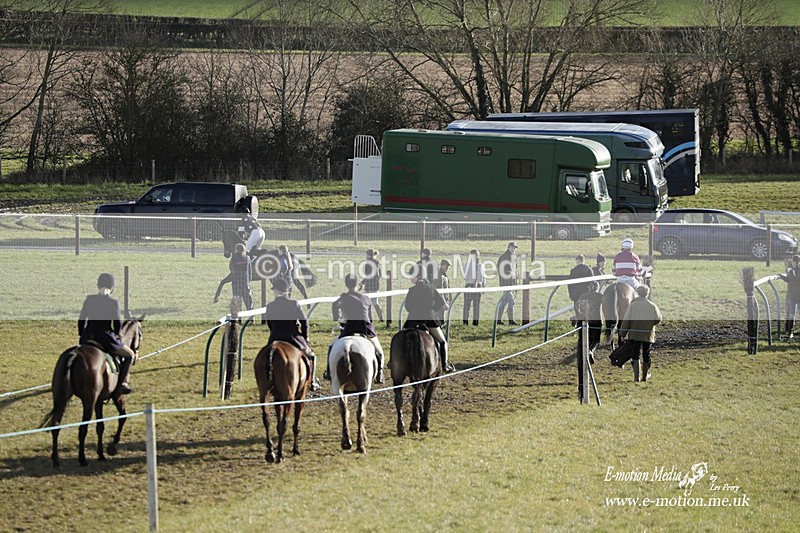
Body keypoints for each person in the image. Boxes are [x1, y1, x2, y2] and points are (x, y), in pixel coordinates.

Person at [78, 273, 138, 395]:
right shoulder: (113, 303)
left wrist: (82, 335)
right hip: (105, 338)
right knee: (130, 355)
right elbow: (117, 324)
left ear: (98, 285)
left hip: (87, 337)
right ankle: (121, 384)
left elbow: (81, 320)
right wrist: (116, 336)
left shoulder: (89, 299)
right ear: (112, 287)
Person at [327, 274, 385, 383]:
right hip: (366, 328)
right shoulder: (365, 298)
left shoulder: (344, 297)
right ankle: (380, 374)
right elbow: (370, 317)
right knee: (380, 351)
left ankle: (329, 372)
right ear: (357, 285)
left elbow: (335, 305)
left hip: (349, 328)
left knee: (331, 347)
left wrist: (336, 317)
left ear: (346, 284)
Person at [264, 277, 320, 391]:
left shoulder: (270, 306)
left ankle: (265, 381)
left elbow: (269, 324)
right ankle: (312, 381)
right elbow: (304, 322)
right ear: (286, 291)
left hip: (275, 338)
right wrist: (305, 337)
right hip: (293, 338)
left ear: (276, 291)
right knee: (311, 356)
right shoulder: (294, 304)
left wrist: (274, 333)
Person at [403, 274, 455, 373]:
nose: (410, 278)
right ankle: (444, 364)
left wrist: (415, 311)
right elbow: (440, 303)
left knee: (403, 338)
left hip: (413, 320)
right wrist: (432, 310)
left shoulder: (411, 290)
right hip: (429, 319)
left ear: (418, 277)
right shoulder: (431, 287)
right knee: (442, 341)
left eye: (412, 276)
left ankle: (394, 362)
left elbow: (408, 307)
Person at [619, 285, 662, 382]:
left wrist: (622, 334)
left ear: (638, 293)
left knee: (635, 354)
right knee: (646, 354)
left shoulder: (632, 305)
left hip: (634, 334)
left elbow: (627, 321)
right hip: (647, 334)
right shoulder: (652, 305)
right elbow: (658, 320)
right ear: (647, 294)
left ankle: (636, 377)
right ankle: (645, 376)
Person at [574, 281, 603, 402]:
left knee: (583, 341)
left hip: (582, 322)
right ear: (596, 288)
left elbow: (577, 308)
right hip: (595, 321)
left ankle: (586, 351)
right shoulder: (599, 296)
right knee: (596, 340)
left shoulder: (581, 296)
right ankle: (591, 350)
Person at [358, 249, 385, 323]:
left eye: (366, 254)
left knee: (368, 303)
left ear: (369, 255)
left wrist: (362, 283)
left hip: (369, 286)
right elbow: (380, 275)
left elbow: (368, 276)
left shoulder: (368, 264)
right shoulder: (377, 263)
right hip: (376, 285)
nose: (365, 256)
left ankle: (369, 319)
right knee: (375, 303)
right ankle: (381, 318)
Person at [497, 242, 519, 325]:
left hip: (511, 282)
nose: (513, 249)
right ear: (509, 247)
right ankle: (511, 321)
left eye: (515, 248)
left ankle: (498, 320)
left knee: (504, 301)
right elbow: (502, 270)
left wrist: (515, 275)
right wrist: (512, 274)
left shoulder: (513, 257)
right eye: (512, 247)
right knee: (511, 301)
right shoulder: (504, 257)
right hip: (506, 283)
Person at [463, 249, 485, 326]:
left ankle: (465, 322)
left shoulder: (466, 264)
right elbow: (481, 278)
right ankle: (475, 323)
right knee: (476, 306)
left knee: (466, 305)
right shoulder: (480, 265)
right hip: (477, 286)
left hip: (468, 285)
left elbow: (464, 277)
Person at [780, 254, 800, 339]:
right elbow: (789, 280)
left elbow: (796, 279)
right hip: (792, 295)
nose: (794, 263)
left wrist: (790, 274)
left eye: (794, 261)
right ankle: (790, 333)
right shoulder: (791, 271)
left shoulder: (793, 271)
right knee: (791, 315)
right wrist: (782, 276)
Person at [229, 243, 253, 310]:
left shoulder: (233, 259)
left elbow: (231, 269)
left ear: (236, 250)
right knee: (249, 302)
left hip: (236, 283)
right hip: (245, 283)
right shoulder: (247, 258)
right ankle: (251, 317)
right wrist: (249, 280)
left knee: (237, 302)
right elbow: (250, 270)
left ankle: (238, 319)